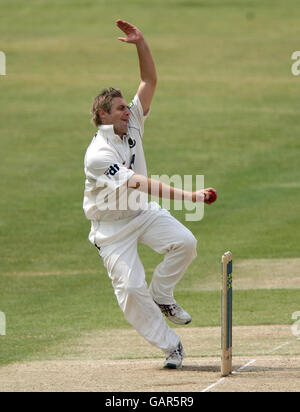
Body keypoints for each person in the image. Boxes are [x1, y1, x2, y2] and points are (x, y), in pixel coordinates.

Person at [83, 20, 217, 369]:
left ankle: (163, 294)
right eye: (120, 109)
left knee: (185, 243)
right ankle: (171, 346)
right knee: (130, 289)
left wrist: (141, 43)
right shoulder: (99, 154)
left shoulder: (133, 121)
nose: (129, 111)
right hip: (111, 230)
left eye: (127, 107)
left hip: (141, 212)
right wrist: (189, 196)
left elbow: (149, 81)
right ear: (102, 116)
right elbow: (139, 182)